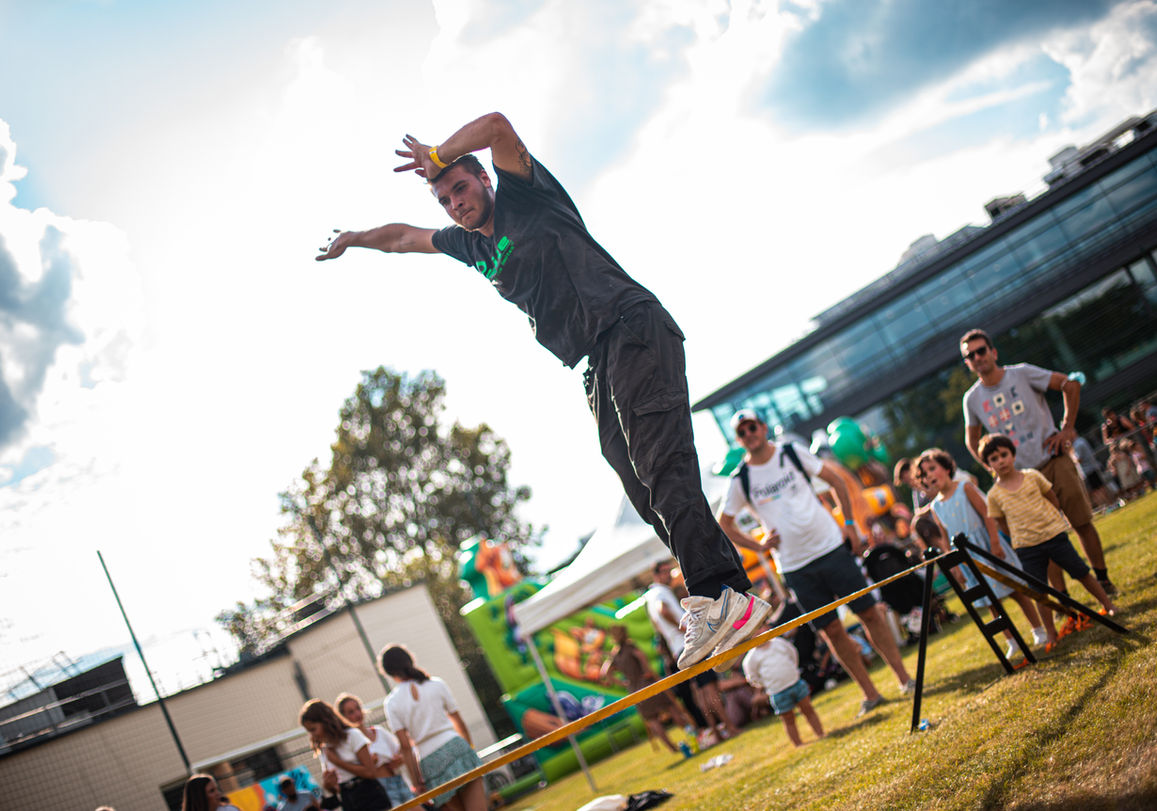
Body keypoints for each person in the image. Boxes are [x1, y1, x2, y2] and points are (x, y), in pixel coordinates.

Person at [316, 112, 768, 667]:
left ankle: (718, 592)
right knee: (638, 483)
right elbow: (404, 238)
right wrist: (354, 240)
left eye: (462, 187)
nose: (456, 203)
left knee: (661, 465)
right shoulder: (470, 246)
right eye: (446, 200)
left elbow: (498, 126)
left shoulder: (525, 196)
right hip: (595, 362)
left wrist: (438, 153)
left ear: (484, 179)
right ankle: (730, 595)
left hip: (629, 327)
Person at [717, 409, 914, 718]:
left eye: (752, 427)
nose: (749, 434)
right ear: (738, 439)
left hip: (831, 547)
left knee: (869, 614)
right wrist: (759, 546)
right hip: (795, 566)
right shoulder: (740, 478)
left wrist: (849, 523)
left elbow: (836, 479)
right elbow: (724, 524)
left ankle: (904, 679)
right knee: (831, 631)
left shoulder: (791, 452)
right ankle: (871, 694)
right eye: (742, 432)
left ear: (763, 427)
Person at [960, 329, 1116, 596]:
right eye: (970, 355)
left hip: (1052, 459)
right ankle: (1062, 598)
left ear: (993, 352)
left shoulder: (1021, 373)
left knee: (1081, 522)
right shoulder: (972, 399)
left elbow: (1069, 384)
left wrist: (1067, 428)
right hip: (1019, 477)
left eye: (981, 350)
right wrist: (992, 466)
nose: (977, 357)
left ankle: (1102, 579)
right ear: (967, 363)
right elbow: (971, 441)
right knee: (1040, 539)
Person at [979, 434, 1118, 648]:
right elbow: (1001, 523)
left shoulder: (1032, 476)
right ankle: (1051, 634)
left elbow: (1052, 498)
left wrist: (1052, 519)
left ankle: (1108, 605)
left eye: (1004, 455)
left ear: (1013, 455)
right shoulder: (994, 495)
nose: (1001, 461)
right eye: (994, 459)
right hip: (1027, 547)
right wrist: (1021, 535)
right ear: (988, 465)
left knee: (1081, 572)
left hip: (1054, 536)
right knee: (1039, 592)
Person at [915, 448, 1048, 656]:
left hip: (986, 548)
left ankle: (1038, 629)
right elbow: (945, 538)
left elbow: (987, 515)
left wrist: (995, 542)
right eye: (924, 474)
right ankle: (1011, 640)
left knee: (1014, 589)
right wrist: (955, 566)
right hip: (968, 561)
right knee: (989, 601)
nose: (929, 475)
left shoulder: (965, 488)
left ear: (947, 467)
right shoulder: (935, 508)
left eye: (932, 468)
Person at [380, 644, 486, 811]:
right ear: (410, 660)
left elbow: (406, 747)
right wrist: (468, 748)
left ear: (389, 672)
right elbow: (459, 723)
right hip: (456, 746)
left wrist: (416, 782)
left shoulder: (392, 702)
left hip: (429, 761)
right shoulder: (436, 684)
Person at [645, 560, 735, 741]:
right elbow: (663, 611)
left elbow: (657, 623)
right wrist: (686, 629)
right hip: (689, 644)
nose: (669, 575)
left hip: (680, 648)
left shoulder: (650, 596)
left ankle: (716, 730)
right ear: (656, 574)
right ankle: (729, 727)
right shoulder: (660, 592)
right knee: (710, 688)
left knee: (701, 691)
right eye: (665, 572)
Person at [600, 624, 695, 754]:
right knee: (671, 709)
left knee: (652, 720)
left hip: (634, 690)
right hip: (647, 683)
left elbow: (605, 673)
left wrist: (623, 683)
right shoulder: (630, 646)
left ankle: (671, 747)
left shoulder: (615, 655)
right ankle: (692, 734)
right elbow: (641, 657)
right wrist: (647, 670)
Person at [298, 699, 391, 811]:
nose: (312, 735)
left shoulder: (352, 736)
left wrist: (339, 762)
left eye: (313, 729)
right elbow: (336, 788)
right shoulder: (324, 748)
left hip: (369, 795)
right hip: (348, 799)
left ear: (325, 722)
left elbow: (370, 772)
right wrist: (329, 785)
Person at [742, 630, 825, 747]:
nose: (757, 634)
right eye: (753, 632)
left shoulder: (779, 643)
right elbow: (752, 677)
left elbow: (793, 654)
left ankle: (821, 733)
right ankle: (798, 743)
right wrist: (766, 684)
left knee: (808, 709)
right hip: (777, 692)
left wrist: (793, 670)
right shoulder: (751, 658)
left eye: (759, 629)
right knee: (788, 719)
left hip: (795, 683)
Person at [335, 693, 416, 809]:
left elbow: (402, 752)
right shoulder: (349, 742)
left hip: (398, 780)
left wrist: (398, 760)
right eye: (351, 712)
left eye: (358, 708)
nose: (357, 714)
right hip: (378, 789)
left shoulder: (379, 731)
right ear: (343, 717)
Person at [1069, 435, 1113, 509]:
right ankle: (1109, 505)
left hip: (1088, 470)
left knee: (1097, 490)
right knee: (1099, 489)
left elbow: (1078, 459)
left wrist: (1070, 456)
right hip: (1091, 469)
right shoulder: (1081, 440)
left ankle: (1108, 506)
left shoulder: (1077, 444)